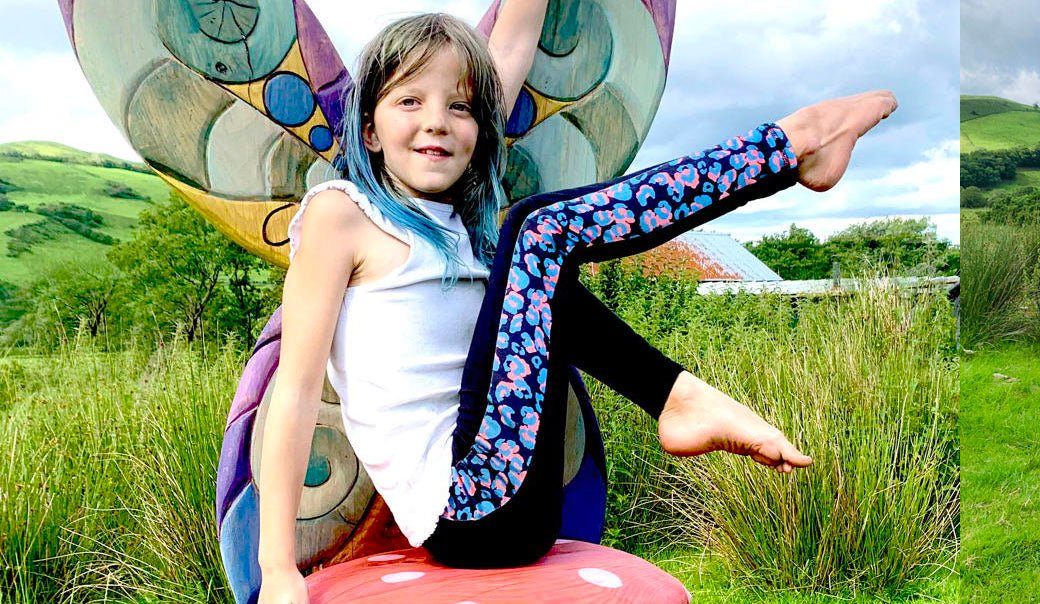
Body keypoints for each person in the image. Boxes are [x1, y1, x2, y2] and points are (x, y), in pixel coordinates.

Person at [252, 7, 898, 602]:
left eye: (461, 108)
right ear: (368, 130)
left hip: (522, 501)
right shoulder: (342, 216)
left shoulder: (466, 230)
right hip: (466, 510)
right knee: (537, 230)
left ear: (480, 129)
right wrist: (277, 567)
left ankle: (678, 397)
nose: (436, 122)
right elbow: (297, 392)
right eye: (409, 101)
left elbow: (506, 44)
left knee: (533, 249)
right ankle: (793, 145)